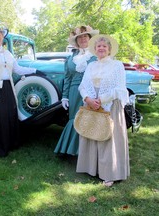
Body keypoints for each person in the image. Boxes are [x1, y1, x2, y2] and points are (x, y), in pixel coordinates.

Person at [0, 25, 42, 157]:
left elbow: (17, 69)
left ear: (2, 37)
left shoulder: (8, 54)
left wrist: (35, 71)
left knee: (7, 114)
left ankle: (8, 143)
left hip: (7, 87)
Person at [76, 34, 130, 187]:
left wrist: (102, 100)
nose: (101, 48)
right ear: (95, 49)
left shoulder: (117, 65)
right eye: (98, 46)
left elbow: (119, 88)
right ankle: (91, 168)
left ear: (109, 49)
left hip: (110, 104)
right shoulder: (91, 66)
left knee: (108, 137)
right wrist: (88, 99)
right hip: (92, 103)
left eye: (104, 46)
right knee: (92, 133)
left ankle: (110, 173)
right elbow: (83, 86)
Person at [54, 25, 99, 156]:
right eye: (80, 37)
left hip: (91, 91)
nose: (83, 39)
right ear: (76, 41)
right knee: (75, 118)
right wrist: (65, 96)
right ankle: (73, 150)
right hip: (75, 92)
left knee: (90, 118)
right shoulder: (70, 58)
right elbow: (67, 79)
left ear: (90, 38)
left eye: (85, 36)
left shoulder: (97, 55)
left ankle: (88, 154)